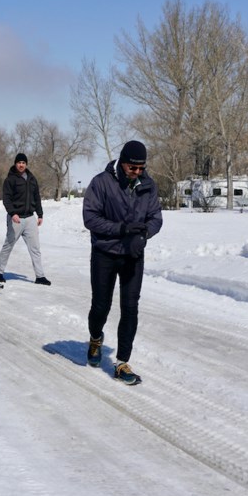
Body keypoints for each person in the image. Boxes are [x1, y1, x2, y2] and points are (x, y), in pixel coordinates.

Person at [83, 140, 163, 385]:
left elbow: (156, 218)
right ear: (123, 162)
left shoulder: (148, 185)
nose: (137, 172)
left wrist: (144, 234)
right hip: (105, 253)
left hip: (133, 255)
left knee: (130, 308)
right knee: (101, 306)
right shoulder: (101, 182)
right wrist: (122, 229)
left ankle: (121, 362)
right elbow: (90, 218)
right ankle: (96, 338)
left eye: (141, 168)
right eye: (132, 168)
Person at [0, 152, 50, 285]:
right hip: (16, 218)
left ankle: (40, 276)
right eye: (19, 162)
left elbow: (36, 197)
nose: (21, 165)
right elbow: (7, 199)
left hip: (30, 218)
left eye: (23, 163)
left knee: (35, 248)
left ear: (26, 164)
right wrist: (12, 213)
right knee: (8, 245)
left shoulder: (32, 179)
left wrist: (40, 214)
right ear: (15, 164)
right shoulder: (10, 179)